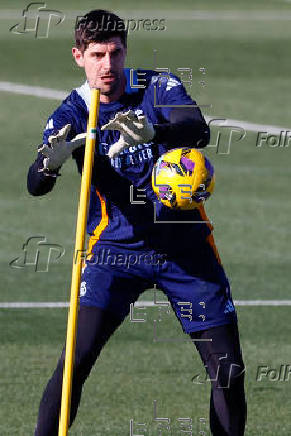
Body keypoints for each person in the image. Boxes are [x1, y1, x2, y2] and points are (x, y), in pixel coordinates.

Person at [27, 9, 246, 436]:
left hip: (184, 250)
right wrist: (49, 165)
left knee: (228, 369)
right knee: (75, 363)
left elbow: (195, 128)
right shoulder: (73, 111)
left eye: (115, 53)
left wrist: (155, 135)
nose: (107, 66)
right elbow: (35, 185)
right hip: (113, 254)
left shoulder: (156, 86)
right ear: (78, 56)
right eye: (96, 55)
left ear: (126, 51)